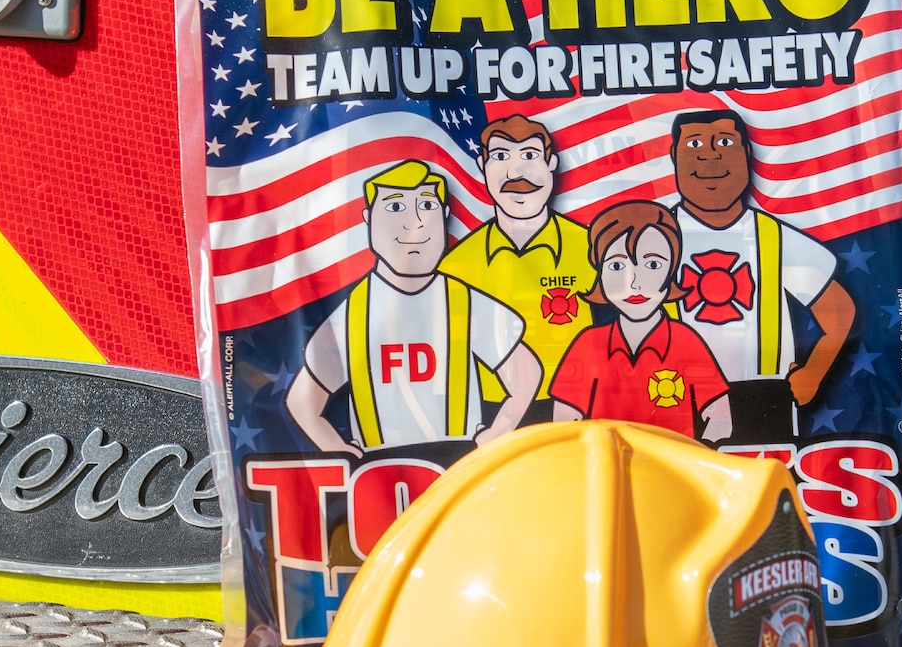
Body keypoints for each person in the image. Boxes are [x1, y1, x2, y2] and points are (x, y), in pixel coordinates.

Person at [287, 160, 541, 454]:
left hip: (459, 471)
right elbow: (303, 401)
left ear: (445, 215)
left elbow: (527, 373)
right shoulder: (356, 310)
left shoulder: (463, 300)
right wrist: (338, 450)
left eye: (428, 205)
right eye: (395, 207)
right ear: (369, 218)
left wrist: (498, 432)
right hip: (382, 472)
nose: (415, 222)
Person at [666, 110, 856, 439]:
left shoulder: (776, 237)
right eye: (694, 143)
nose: (709, 155)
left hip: (765, 397)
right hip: (671, 393)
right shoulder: (655, 238)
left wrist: (814, 371)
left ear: (747, 154)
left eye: (725, 142)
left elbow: (840, 312)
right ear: (674, 157)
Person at [440, 116, 594, 422]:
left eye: (529, 155)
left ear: (552, 163)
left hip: (582, 413)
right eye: (500, 156)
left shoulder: (596, 251)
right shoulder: (453, 266)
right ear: (483, 165)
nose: (515, 172)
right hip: (488, 418)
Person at [550, 201, 731, 442]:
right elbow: (563, 424)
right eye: (616, 266)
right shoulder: (588, 343)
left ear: (672, 269)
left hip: (672, 471)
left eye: (652, 264)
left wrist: (699, 461)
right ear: (600, 273)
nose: (634, 282)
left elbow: (720, 417)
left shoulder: (685, 341)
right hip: (605, 470)